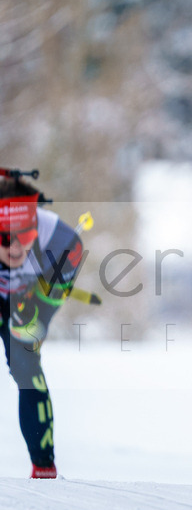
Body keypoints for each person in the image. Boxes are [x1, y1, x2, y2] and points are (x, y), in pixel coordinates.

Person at [1, 173, 84, 479]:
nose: (15, 248)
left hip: (29, 296)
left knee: (25, 364)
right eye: (4, 238)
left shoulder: (60, 240)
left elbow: (41, 320)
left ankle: (44, 466)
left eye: (24, 235)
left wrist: (34, 311)